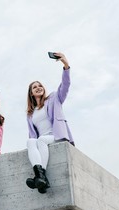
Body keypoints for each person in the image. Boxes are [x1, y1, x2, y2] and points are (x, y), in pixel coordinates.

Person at [25, 52, 74, 194]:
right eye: (35, 87)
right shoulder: (30, 113)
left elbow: (65, 85)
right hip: (42, 140)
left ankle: (40, 177)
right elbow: (32, 135)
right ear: (31, 93)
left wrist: (66, 65)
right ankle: (41, 179)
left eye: (40, 85)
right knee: (30, 142)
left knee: (40, 140)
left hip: (55, 136)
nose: (38, 88)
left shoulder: (53, 98)